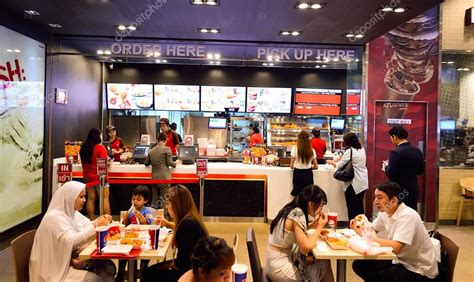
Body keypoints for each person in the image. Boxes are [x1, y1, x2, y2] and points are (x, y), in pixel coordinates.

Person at [351, 182, 438, 281]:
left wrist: (370, 238)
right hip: (400, 260)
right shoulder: (385, 212)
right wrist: (359, 227)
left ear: (393, 201)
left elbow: (396, 248)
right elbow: (372, 229)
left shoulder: (407, 216)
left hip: (419, 269)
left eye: (379, 198)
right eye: (375, 197)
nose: (375, 201)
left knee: (381, 277)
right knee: (359, 264)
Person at [29, 181, 115, 282]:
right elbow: (71, 240)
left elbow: (87, 224)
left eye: (84, 196)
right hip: (53, 270)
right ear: (70, 197)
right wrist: (96, 225)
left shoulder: (72, 212)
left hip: (66, 261)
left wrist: (101, 220)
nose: (84, 200)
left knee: (108, 267)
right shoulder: (54, 217)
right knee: (95, 278)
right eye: (81, 197)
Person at [266, 185, 333, 282]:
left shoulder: (292, 208)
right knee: (324, 266)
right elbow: (305, 248)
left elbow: (294, 231)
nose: (321, 210)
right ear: (311, 204)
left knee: (321, 262)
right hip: (279, 268)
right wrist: (319, 227)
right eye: (321, 206)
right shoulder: (298, 213)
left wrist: (313, 225)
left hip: (272, 261)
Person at [142, 185, 208, 282]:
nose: (166, 207)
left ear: (177, 205)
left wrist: (171, 265)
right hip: (198, 268)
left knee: (148, 274)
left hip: (192, 273)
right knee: (150, 271)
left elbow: (183, 262)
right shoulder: (190, 219)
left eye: (168, 203)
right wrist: (168, 223)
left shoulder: (186, 225)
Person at [327, 132, 368, 220]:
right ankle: (361, 227)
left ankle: (352, 227)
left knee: (352, 208)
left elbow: (340, 165)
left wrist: (332, 162)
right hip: (363, 182)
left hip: (353, 183)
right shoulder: (361, 149)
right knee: (359, 207)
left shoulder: (350, 151)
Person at [117, 185, 153, 281]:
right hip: (131, 237)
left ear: (145, 201)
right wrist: (125, 218)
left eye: (138, 199)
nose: (135, 201)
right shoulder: (131, 211)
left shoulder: (148, 211)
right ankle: (121, 270)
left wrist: (141, 217)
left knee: (146, 250)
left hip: (144, 237)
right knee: (123, 250)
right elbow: (125, 225)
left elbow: (148, 223)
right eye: (133, 199)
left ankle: (143, 268)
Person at [384, 125, 424, 211]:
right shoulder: (417, 151)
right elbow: (420, 171)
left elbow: (391, 174)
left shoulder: (395, 152)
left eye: (391, 137)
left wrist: (386, 167)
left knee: (398, 218)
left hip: (399, 192)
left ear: (394, 137)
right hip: (413, 191)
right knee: (411, 217)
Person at [79, 128, 111, 219]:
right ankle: (108, 221)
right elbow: (104, 164)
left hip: (88, 177)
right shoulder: (99, 148)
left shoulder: (83, 148)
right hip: (99, 178)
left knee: (90, 198)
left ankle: (91, 221)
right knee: (104, 198)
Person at [145, 132, 177, 208]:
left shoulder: (151, 150)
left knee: (154, 201)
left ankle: (153, 218)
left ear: (157, 140)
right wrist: (176, 163)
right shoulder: (167, 149)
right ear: (165, 140)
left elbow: (146, 163)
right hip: (164, 178)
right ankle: (164, 218)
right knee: (164, 201)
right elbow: (170, 163)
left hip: (154, 178)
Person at [290, 131, 318, 196]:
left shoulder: (294, 149)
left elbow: (291, 166)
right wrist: (310, 167)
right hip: (308, 174)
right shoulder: (311, 150)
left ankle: (299, 206)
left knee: (298, 194)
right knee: (308, 194)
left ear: (298, 139)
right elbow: (316, 166)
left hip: (298, 174)